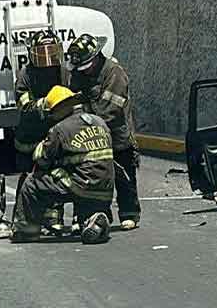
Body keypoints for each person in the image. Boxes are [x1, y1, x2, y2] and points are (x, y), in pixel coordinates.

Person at [11, 86, 113, 244]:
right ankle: (94, 218)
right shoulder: (100, 122)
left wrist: (41, 148)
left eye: (52, 111)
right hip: (105, 189)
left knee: (31, 183)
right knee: (79, 175)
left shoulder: (60, 129)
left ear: (59, 108)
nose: (51, 116)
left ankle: (26, 231)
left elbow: (42, 159)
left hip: (81, 186)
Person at [68, 34, 141, 231]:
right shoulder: (78, 73)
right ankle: (95, 215)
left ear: (96, 57)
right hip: (90, 136)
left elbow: (110, 108)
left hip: (116, 135)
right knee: (93, 176)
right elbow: (73, 100)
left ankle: (129, 213)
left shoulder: (114, 73)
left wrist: (86, 122)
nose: (83, 71)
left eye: (86, 66)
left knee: (124, 175)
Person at [14, 30, 69, 231]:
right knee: (29, 176)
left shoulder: (64, 72)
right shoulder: (25, 75)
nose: (47, 58)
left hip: (55, 133)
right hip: (30, 135)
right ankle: (22, 219)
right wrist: (46, 104)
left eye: (52, 52)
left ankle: (53, 218)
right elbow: (24, 106)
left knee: (56, 174)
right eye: (42, 52)